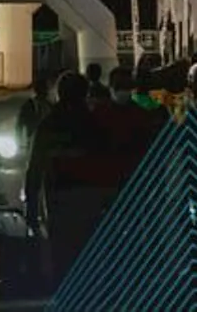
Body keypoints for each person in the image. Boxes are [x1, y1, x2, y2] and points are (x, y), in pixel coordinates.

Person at [25, 71, 116, 287]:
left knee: (62, 253)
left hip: (59, 196)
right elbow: (107, 161)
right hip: (91, 196)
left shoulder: (49, 124)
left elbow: (35, 168)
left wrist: (30, 208)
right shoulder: (94, 123)